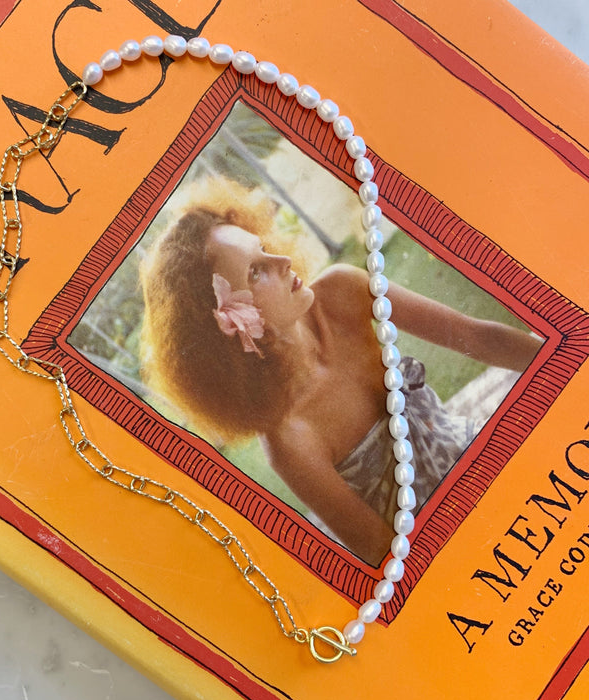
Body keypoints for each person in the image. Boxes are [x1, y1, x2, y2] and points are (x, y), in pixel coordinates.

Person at [139, 181, 541, 565]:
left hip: (479, 459)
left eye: (262, 248)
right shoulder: (288, 437)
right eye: (256, 272)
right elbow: (381, 550)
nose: (281, 261)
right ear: (228, 324)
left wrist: (565, 361)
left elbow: (477, 337)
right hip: (442, 544)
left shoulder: (341, 290)